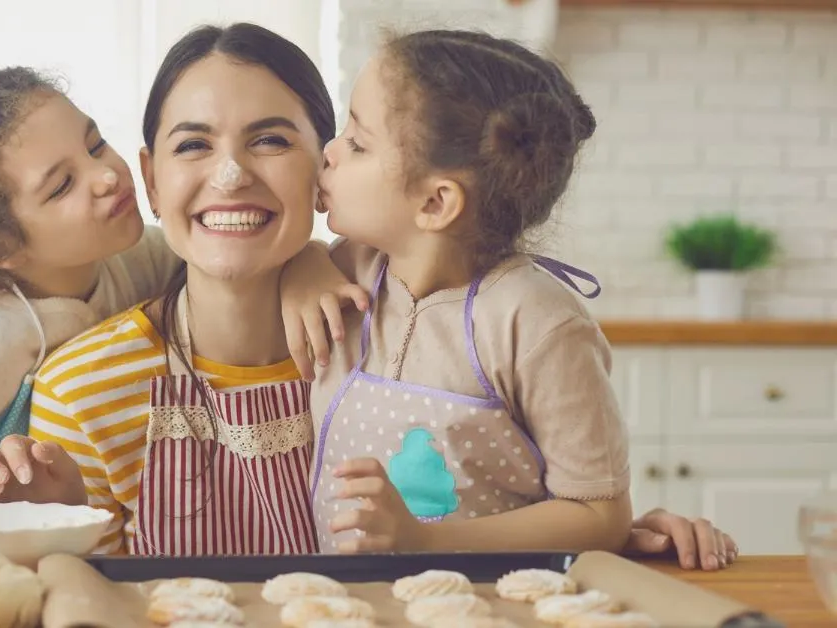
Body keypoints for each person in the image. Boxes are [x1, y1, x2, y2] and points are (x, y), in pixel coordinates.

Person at [0, 24, 738, 572]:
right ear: (151, 178)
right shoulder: (81, 392)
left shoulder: (377, 336)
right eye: (193, 144)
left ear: (322, 174)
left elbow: (484, 494)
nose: (230, 175)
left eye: (272, 139)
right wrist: (53, 527)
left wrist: (617, 532)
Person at [0, 63, 345, 541]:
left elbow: (228, 249)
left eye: (93, 145)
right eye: (62, 185)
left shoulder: (132, 256)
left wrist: (311, 261)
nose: (107, 176)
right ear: (0, 248)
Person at [295, 28, 737, 571]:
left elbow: (599, 514)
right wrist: (303, 265)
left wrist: (423, 541)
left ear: (436, 202)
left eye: (358, 143)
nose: (331, 151)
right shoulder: (349, 270)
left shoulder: (536, 322)